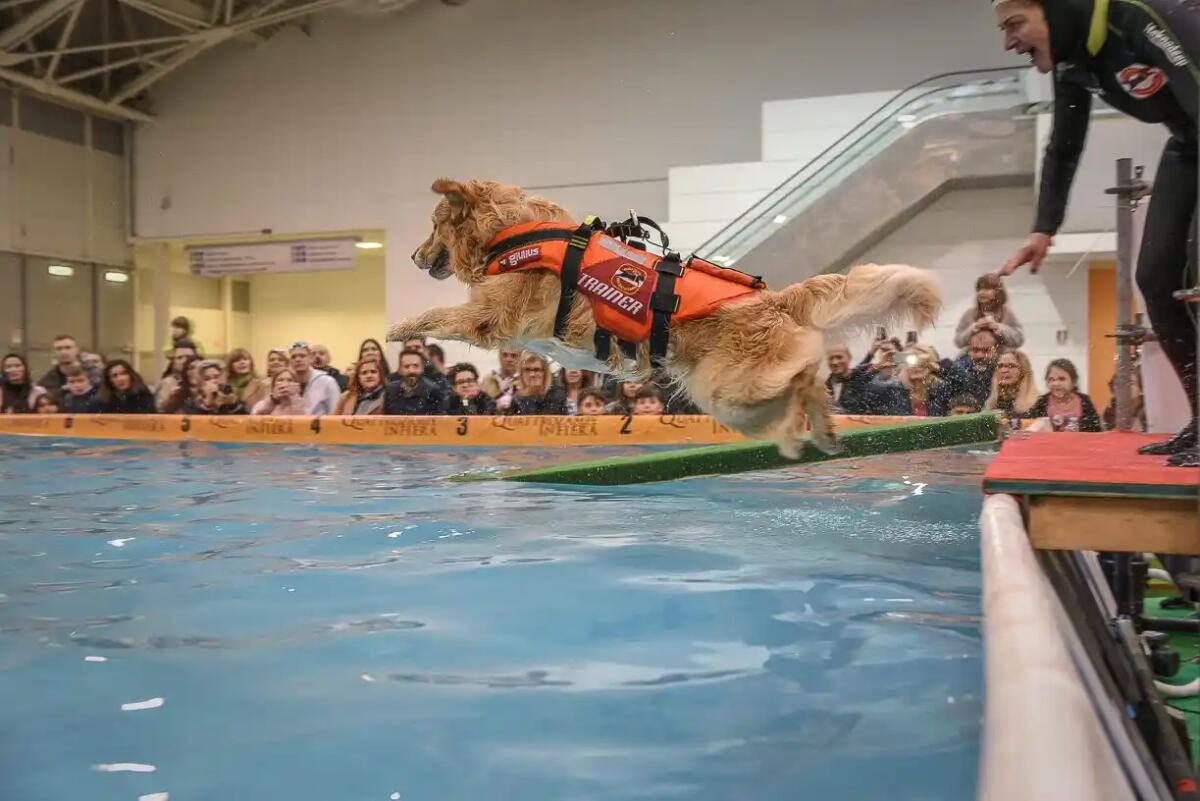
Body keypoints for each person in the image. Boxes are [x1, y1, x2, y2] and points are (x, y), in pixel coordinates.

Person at [993, 0, 1198, 465]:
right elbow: (1064, 145)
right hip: (1189, 144)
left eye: (1015, 24)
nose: (1008, 43)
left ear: (1054, 9)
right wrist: (1044, 228)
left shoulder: (1137, 18)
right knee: (1156, 279)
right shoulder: (1073, 56)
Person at [1027, 357, 1103, 432]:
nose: (1056, 383)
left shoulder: (1085, 401)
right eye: (1051, 379)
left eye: (1062, 379)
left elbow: (1095, 432)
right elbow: (1029, 430)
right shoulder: (1041, 403)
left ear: (1074, 382)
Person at [954, 274, 1025, 349]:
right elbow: (958, 342)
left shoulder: (1007, 313)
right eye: (979, 289)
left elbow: (1019, 340)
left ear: (997, 292)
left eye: (986, 289)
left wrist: (997, 327)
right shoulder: (970, 314)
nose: (981, 292)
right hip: (974, 355)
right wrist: (974, 327)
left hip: (1002, 355)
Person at [985, 349, 1040, 426]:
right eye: (1000, 366)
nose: (1004, 370)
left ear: (1023, 371)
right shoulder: (992, 403)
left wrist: (1014, 424)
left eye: (1011, 366)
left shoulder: (1038, 403)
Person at [384, 348, 445, 415]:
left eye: (415, 366)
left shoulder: (433, 391)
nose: (411, 371)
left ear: (422, 368)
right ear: (400, 369)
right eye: (406, 366)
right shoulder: (391, 390)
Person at [288, 342, 341, 416]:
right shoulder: (287, 382)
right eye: (293, 357)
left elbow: (335, 413)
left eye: (302, 356)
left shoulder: (328, 382)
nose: (297, 359)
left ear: (310, 359)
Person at [155, 340, 198, 411]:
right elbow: (160, 410)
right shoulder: (167, 383)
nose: (184, 361)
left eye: (188, 357)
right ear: (173, 362)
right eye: (179, 358)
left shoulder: (203, 381)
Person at [35, 334, 80, 400]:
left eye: (68, 348)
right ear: (54, 353)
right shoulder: (45, 381)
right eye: (59, 349)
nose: (64, 352)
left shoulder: (91, 374)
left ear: (76, 350)